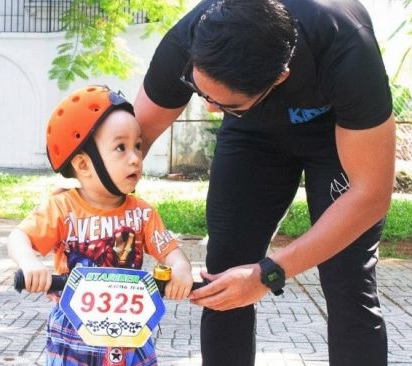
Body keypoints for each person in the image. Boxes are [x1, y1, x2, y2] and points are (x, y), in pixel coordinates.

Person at [134, 0, 395, 365]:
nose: (209, 108)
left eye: (223, 103)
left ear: (280, 78)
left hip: (336, 133)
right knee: (222, 277)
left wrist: (269, 274)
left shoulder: (346, 45)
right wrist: (91, 230)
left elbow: (372, 194)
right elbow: (133, 140)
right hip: (251, 135)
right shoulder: (193, 33)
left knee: (347, 280)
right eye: (201, 91)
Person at [8, 85, 194, 366]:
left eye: (138, 146)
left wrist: (181, 269)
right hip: (74, 327)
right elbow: (19, 237)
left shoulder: (142, 213)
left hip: (132, 327)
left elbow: (169, 251)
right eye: (121, 147)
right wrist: (29, 263)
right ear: (83, 165)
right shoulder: (62, 208)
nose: (135, 158)